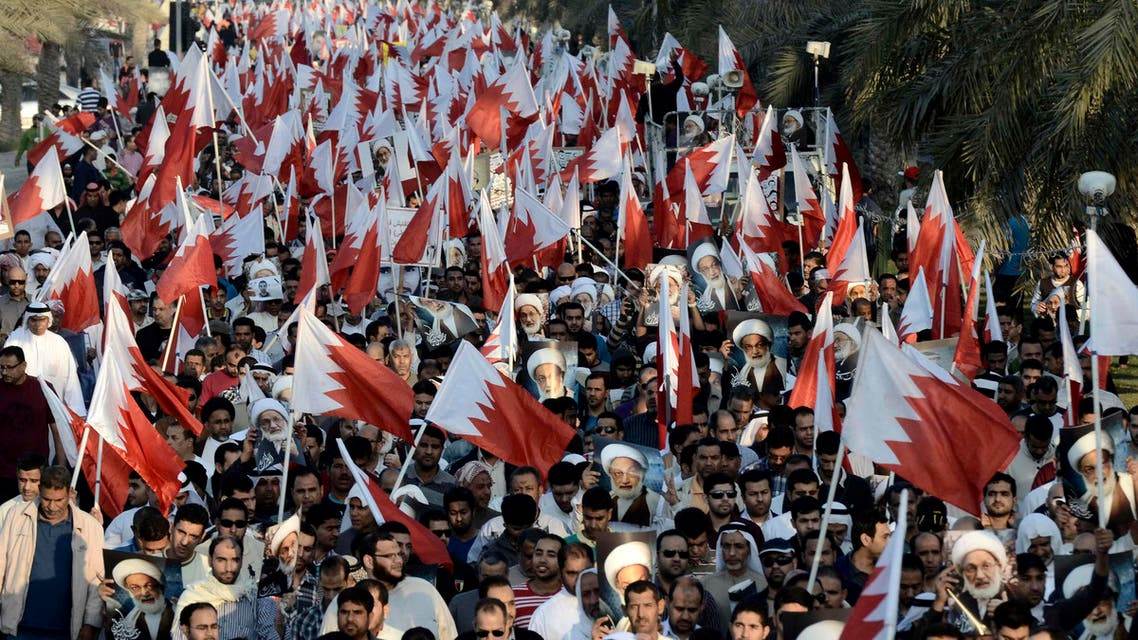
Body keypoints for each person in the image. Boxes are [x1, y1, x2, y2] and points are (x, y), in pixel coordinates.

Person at [0, 466, 104, 640]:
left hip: (67, 628)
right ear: (39, 491)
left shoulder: (90, 527)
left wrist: (90, 622)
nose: (51, 506)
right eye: (46, 499)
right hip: (19, 625)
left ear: (69, 493)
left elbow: (96, 578)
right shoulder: (15, 516)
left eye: (59, 500)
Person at [174, 537, 268, 640]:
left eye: (235, 560)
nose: (229, 568)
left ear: (242, 561)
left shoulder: (252, 596)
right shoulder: (192, 596)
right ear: (210, 560)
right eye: (221, 560)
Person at [3, 302, 84, 410]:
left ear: (48, 320)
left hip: (55, 406)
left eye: (42, 320)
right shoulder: (15, 339)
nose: (38, 324)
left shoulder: (59, 342)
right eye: (34, 320)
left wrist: (76, 410)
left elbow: (71, 379)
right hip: (21, 406)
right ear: (27, 320)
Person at [106, 557, 176, 640]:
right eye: (135, 588)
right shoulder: (123, 620)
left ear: (160, 587)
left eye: (149, 585)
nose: (144, 593)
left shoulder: (178, 612)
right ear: (130, 592)